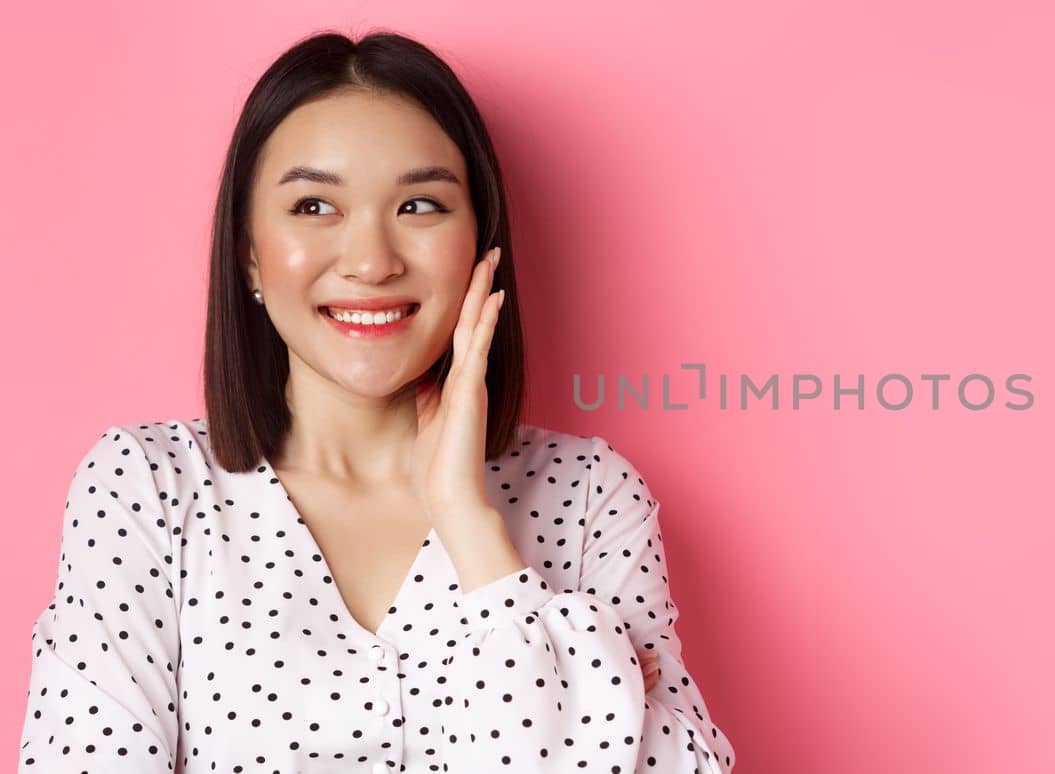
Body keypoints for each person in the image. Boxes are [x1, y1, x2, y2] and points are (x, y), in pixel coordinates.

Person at [17, 29, 735, 773]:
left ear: (481, 244)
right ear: (248, 252)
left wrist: (471, 526)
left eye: (420, 205)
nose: (371, 262)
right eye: (314, 207)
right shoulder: (147, 487)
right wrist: (585, 696)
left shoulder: (589, 496)